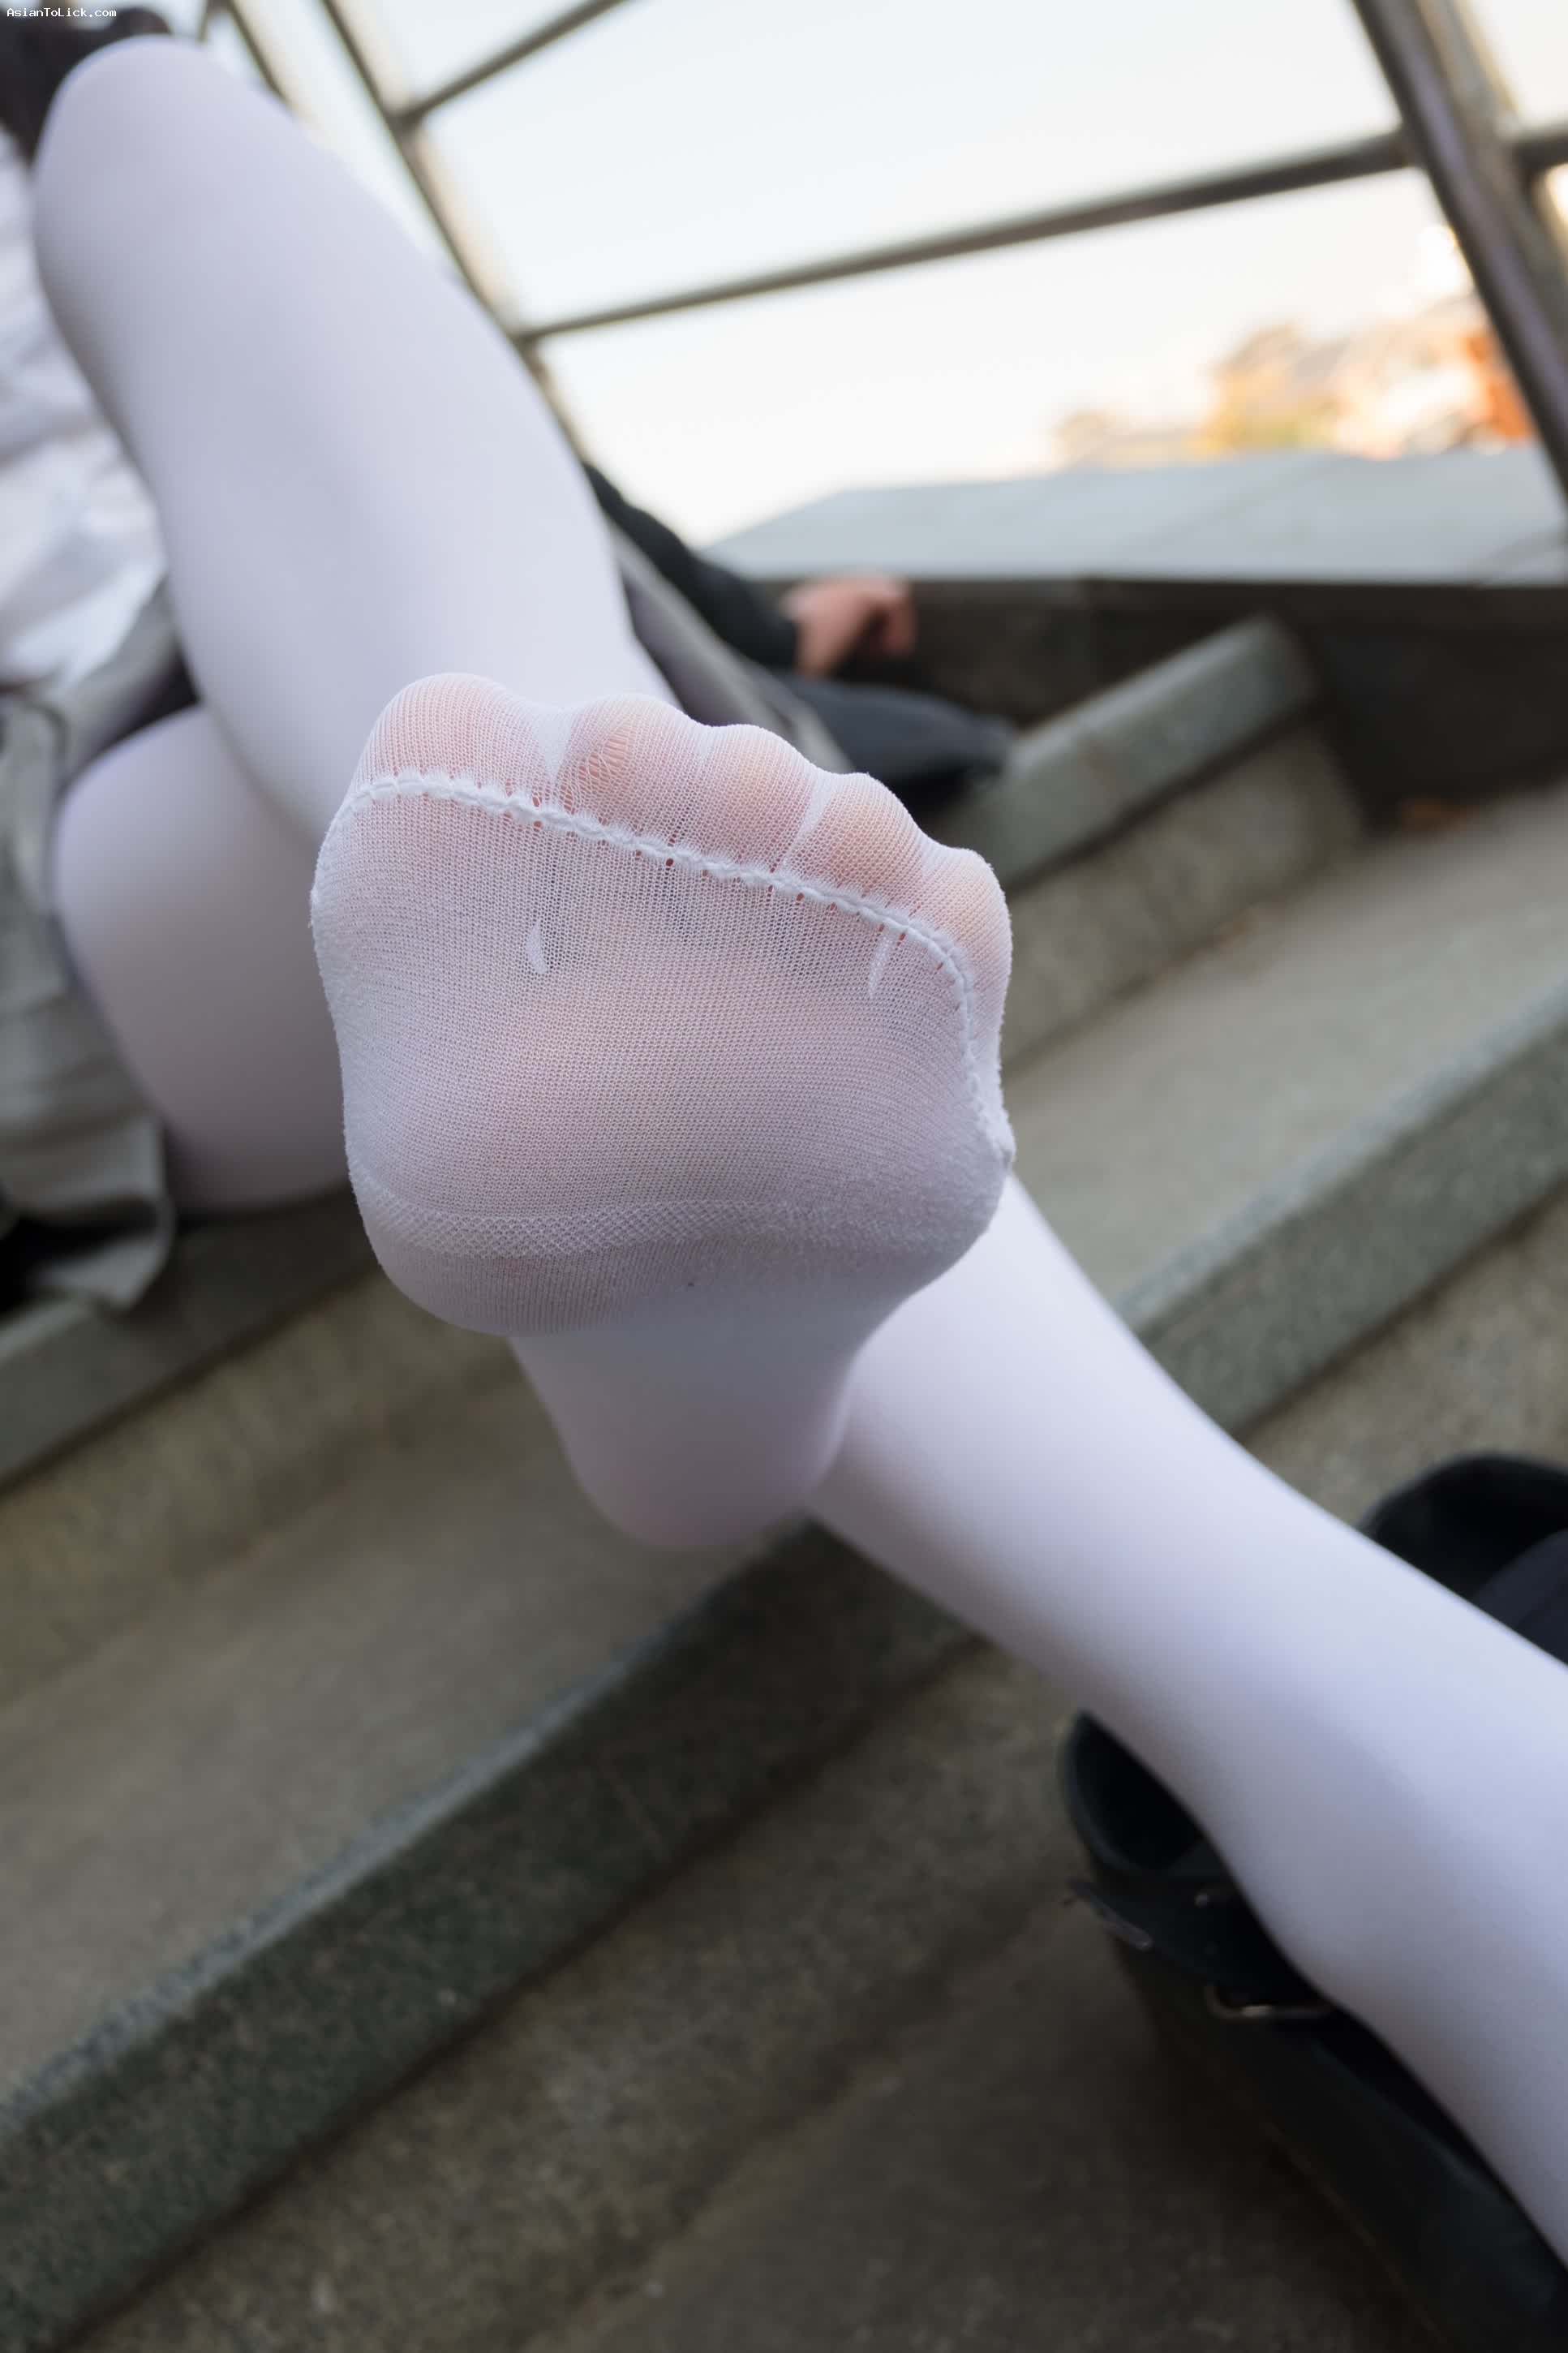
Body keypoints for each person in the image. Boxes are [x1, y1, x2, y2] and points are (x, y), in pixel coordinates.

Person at [11, 25, 1568, 2303]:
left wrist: (713, 626)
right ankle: (1457, 1811)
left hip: (351, 691)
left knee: (144, 129)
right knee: (492, 761)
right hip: (90, 890)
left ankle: (620, 1156)